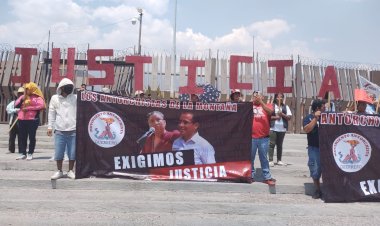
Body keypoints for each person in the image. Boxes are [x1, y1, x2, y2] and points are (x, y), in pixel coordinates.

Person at [48, 78, 77, 180]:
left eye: (71, 86)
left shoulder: (75, 98)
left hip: (73, 130)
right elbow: (51, 112)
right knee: (59, 152)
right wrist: (49, 127)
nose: (70, 88)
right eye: (67, 86)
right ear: (61, 87)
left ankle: (70, 171)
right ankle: (59, 171)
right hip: (60, 130)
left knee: (72, 153)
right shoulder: (55, 98)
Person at [15, 82, 46, 160]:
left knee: (32, 137)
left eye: (27, 89)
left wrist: (29, 108)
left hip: (32, 120)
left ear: (32, 89)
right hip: (22, 119)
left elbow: (41, 106)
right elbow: (16, 105)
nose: (26, 90)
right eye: (25, 89)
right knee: (22, 137)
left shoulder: (37, 98)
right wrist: (22, 99)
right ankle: (22, 153)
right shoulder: (22, 96)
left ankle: (30, 153)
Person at [251, 91, 276, 185]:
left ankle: (267, 177)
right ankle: (250, 175)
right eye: (255, 96)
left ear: (262, 97)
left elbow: (271, 112)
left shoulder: (268, 105)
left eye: (259, 96)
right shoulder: (250, 106)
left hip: (263, 138)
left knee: (264, 158)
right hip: (251, 137)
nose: (257, 97)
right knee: (250, 158)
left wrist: (261, 102)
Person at [303, 99, 325, 199]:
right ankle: (317, 190)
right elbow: (307, 129)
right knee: (315, 169)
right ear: (317, 108)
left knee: (324, 169)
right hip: (314, 148)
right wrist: (315, 119)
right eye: (323, 107)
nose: (325, 108)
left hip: (326, 148)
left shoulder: (327, 117)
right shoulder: (308, 117)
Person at [269, 93, 292, 167]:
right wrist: (276, 117)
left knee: (280, 145)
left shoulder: (286, 107)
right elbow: (268, 117)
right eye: (278, 97)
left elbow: (289, 117)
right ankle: (270, 160)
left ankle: (279, 160)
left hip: (282, 129)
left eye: (281, 97)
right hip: (273, 128)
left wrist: (282, 114)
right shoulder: (271, 106)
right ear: (275, 98)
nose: (279, 98)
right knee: (271, 144)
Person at [6, 87, 24, 153]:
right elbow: (8, 110)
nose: (20, 95)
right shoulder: (13, 102)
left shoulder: (26, 103)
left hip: (21, 122)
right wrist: (15, 110)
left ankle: (21, 149)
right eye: (19, 93)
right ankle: (11, 149)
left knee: (21, 137)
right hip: (13, 121)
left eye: (22, 93)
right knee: (12, 137)